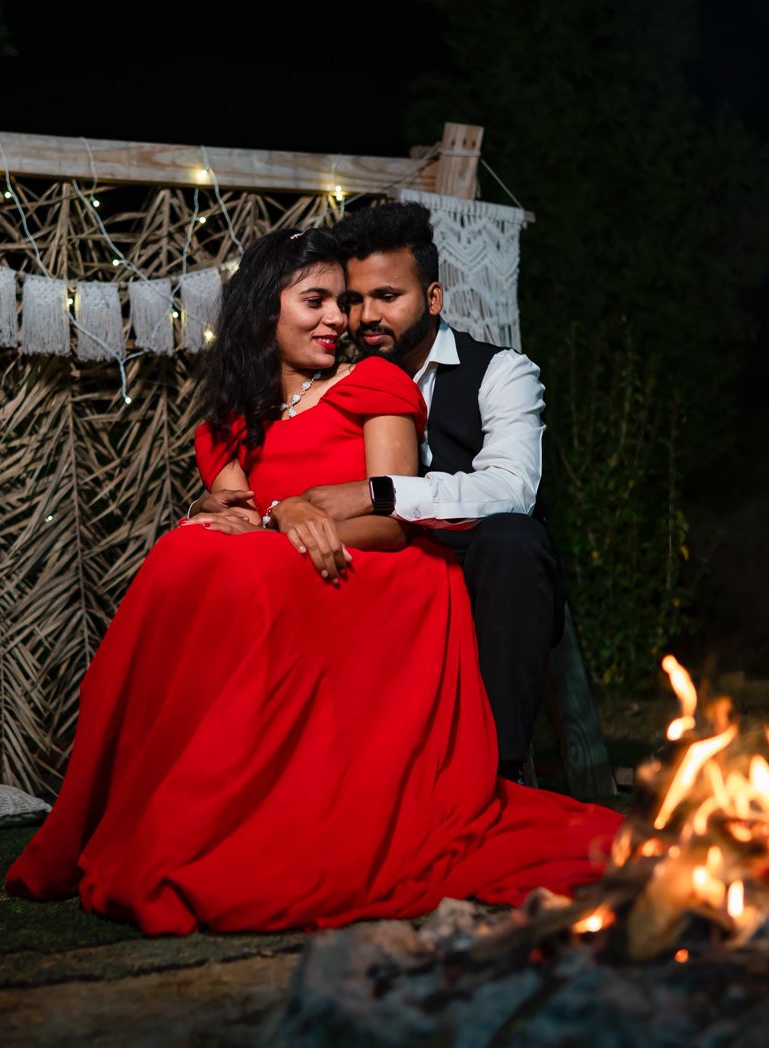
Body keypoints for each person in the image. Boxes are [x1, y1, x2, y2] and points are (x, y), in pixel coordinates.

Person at [6, 227, 618, 935]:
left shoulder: (377, 384)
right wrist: (251, 516)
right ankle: (162, 803)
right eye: (317, 302)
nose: (339, 320)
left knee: (247, 565)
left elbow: (393, 521)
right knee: (184, 552)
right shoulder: (228, 426)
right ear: (265, 309)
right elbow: (230, 518)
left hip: (382, 576)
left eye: (344, 302)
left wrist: (281, 521)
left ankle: (227, 812)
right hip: (288, 571)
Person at [199, 202, 563, 788]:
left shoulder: (500, 373)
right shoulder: (335, 380)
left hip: (474, 560)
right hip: (370, 561)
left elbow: (511, 488)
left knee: (513, 539)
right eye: (355, 300)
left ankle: (498, 772)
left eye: (387, 297)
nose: (365, 316)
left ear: (433, 298)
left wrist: (377, 493)